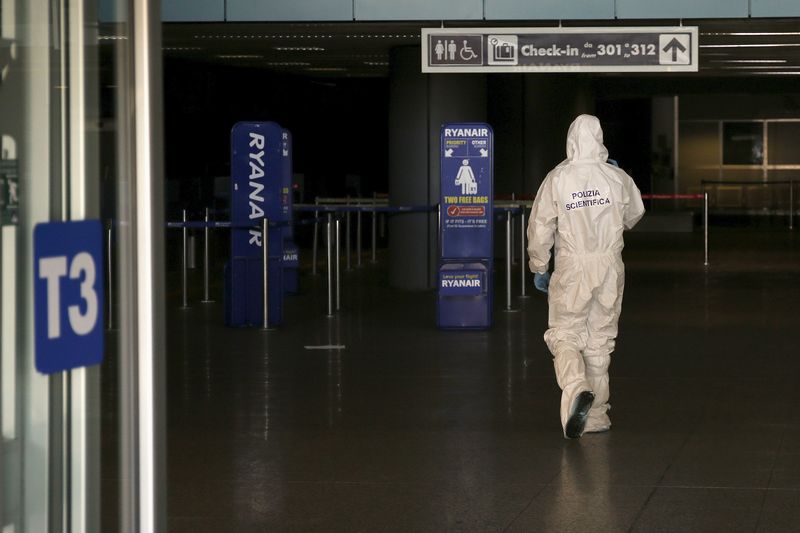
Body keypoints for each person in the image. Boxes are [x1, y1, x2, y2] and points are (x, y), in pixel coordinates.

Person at [527, 114, 645, 439]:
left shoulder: (558, 178)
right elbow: (636, 214)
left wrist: (539, 266)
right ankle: (595, 417)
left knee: (565, 334)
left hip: (573, 268)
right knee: (599, 341)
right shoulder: (616, 177)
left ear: (571, 140)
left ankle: (576, 387)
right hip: (609, 266)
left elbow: (540, 228)